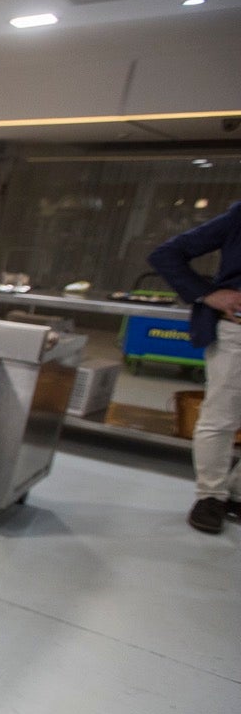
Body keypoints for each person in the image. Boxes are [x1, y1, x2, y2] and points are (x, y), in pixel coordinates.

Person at [148, 201, 241, 534]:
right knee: (222, 417)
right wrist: (207, 294)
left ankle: (236, 493)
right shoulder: (239, 215)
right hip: (236, 332)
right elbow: (166, 254)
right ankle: (211, 496)